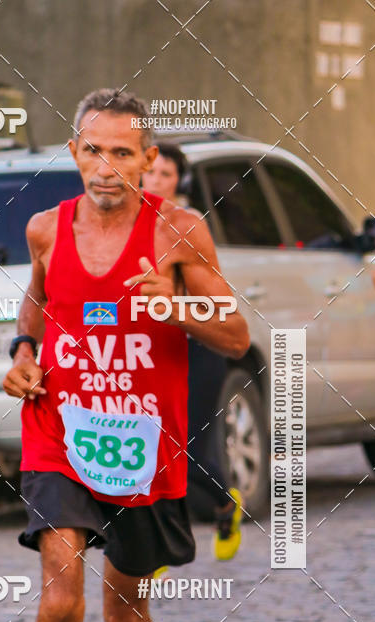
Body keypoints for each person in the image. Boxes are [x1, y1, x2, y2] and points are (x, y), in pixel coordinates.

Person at [3, 89, 249, 622]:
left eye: (122, 152)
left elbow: (237, 335)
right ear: (74, 153)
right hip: (60, 435)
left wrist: (177, 309)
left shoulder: (178, 230)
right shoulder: (46, 228)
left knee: (123, 611)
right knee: (60, 604)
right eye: (93, 150)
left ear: (148, 160)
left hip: (144, 445)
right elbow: (38, 304)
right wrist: (23, 354)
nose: (106, 166)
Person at [143, 143, 244, 561]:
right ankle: (154, 549)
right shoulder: (123, 223)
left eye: (166, 174)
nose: (156, 181)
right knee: (150, 448)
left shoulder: (186, 224)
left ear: (179, 181)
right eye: (152, 172)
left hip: (196, 348)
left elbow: (216, 306)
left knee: (187, 451)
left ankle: (224, 505)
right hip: (150, 350)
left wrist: (175, 304)